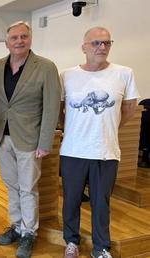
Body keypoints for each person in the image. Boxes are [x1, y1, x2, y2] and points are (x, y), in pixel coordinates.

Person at [59, 27, 139, 258]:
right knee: (71, 200)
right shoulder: (67, 75)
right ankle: (71, 241)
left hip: (106, 151)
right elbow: (60, 111)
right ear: (84, 47)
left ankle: (101, 247)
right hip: (73, 150)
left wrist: (110, 128)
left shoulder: (124, 73)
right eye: (95, 43)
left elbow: (130, 107)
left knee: (101, 203)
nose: (101, 47)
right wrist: (72, 128)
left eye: (106, 43)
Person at [0, 21, 61, 258]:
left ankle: (29, 232)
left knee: (28, 188)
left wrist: (45, 142)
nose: (19, 41)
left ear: (30, 39)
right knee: (11, 186)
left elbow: (52, 108)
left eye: (23, 37)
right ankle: (17, 226)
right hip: (2, 137)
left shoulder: (46, 67)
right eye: (14, 38)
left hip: (30, 139)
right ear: (7, 41)